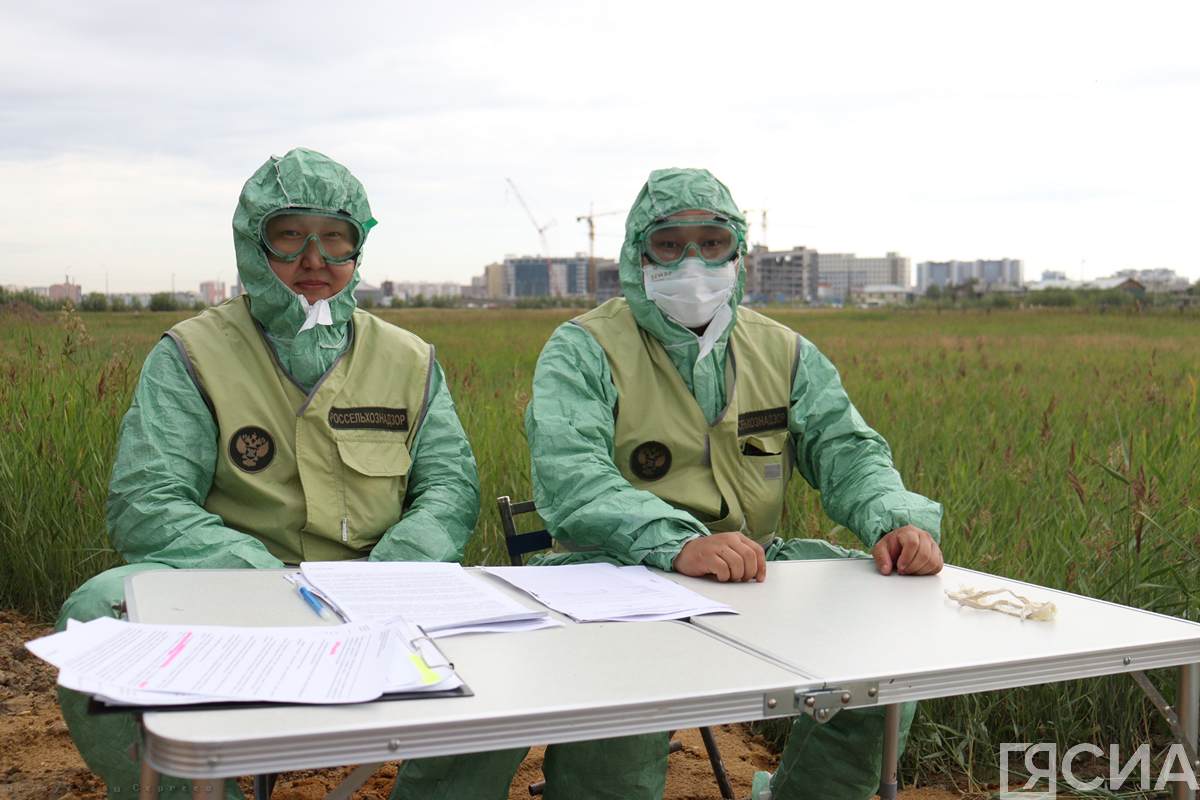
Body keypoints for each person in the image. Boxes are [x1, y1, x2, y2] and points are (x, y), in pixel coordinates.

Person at [55, 147, 481, 799]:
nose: (315, 260)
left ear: (358, 247)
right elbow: (149, 502)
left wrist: (392, 572)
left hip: (384, 588)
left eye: (336, 238)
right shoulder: (191, 354)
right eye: (290, 237)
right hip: (235, 588)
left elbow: (449, 489)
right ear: (253, 246)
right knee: (96, 614)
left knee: (502, 639)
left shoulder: (410, 359)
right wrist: (273, 585)